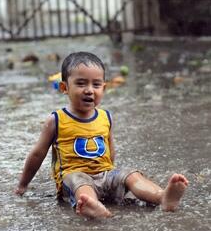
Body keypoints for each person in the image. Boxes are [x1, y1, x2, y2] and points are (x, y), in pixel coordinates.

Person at [15, 52, 189, 218]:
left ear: (104, 88)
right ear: (64, 87)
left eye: (96, 85)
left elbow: (110, 150)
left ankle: (162, 196)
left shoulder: (106, 117)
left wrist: (113, 178)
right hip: (73, 176)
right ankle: (91, 205)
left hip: (104, 174)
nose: (89, 90)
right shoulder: (56, 120)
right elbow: (38, 154)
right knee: (80, 182)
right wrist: (23, 184)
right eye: (81, 83)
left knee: (131, 175)